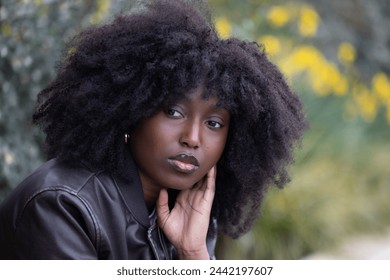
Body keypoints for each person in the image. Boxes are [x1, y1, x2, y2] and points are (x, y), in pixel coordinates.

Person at [0, 0, 306, 259]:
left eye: (214, 123)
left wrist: (194, 256)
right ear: (132, 108)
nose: (192, 138)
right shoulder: (62, 205)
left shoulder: (190, 213)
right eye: (173, 111)